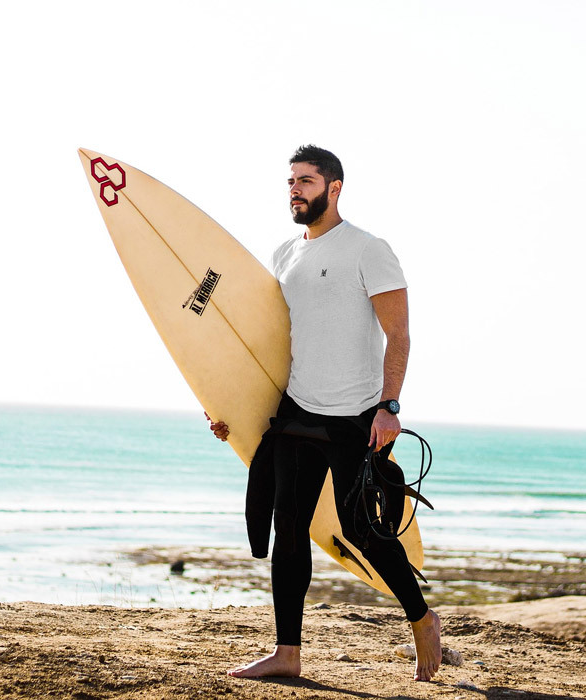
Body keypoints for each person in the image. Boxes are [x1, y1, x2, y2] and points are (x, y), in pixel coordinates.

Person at [207, 145, 441, 682]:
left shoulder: (368, 249)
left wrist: (389, 407)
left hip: (356, 415)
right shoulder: (284, 255)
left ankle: (421, 618)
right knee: (288, 527)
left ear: (334, 188)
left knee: (362, 528)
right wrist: (228, 406)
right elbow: (264, 345)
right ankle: (286, 652)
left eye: (306, 181)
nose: (295, 189)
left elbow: (399, 335)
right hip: (296, 410)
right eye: (291, 181)